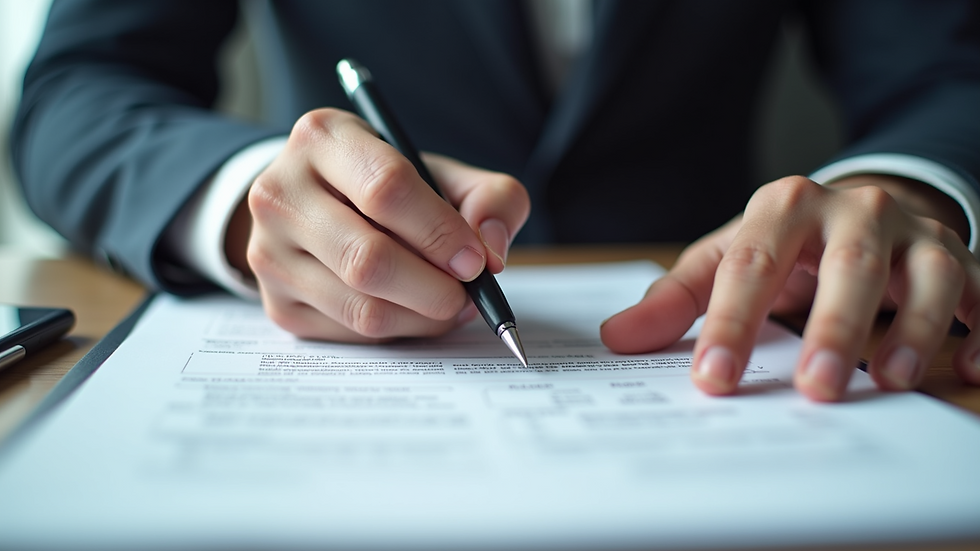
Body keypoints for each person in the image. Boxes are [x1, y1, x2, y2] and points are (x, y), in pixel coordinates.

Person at [12, 0, 980, 402]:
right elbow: (80, 90)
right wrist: (241, 196)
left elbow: (941, 72)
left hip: (739, 295)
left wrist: (892, 190)